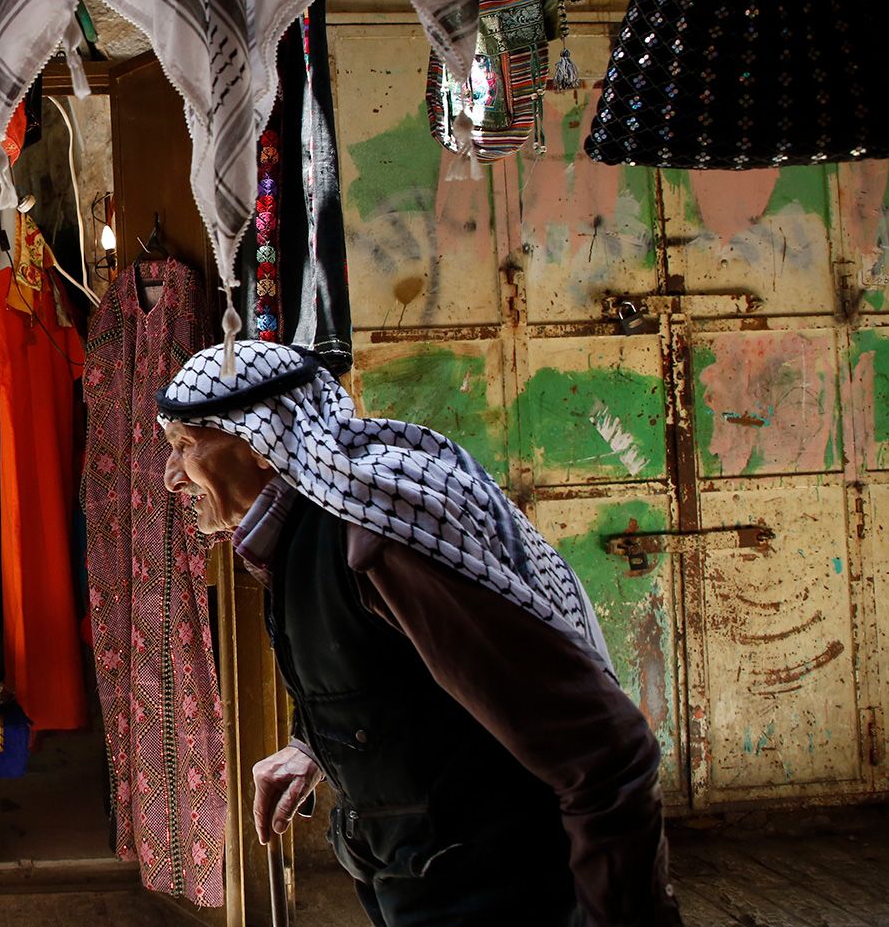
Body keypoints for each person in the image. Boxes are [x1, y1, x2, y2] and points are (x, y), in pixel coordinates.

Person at [157, 341, 680, 927]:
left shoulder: (377, 545)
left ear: (259, 443)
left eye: (184, 446)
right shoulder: (305, 534)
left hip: (497, 889)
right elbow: (388, 670)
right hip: (417, 877)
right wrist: (313, 746)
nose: (173, 477)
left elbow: (605, 750)